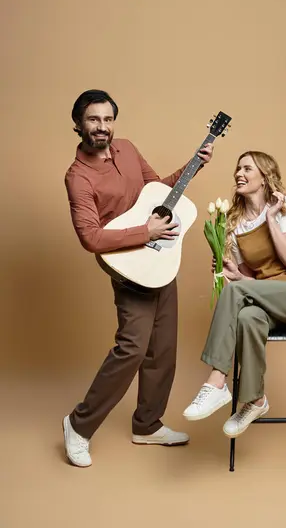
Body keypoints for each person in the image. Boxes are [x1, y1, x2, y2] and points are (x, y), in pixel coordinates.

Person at [63, 89, 214, 467]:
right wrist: (144, 233)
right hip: (125, 265)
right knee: (132, 347)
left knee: (162, 346)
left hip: (159, 258)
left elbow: (160, 191)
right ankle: (78, 426)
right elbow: (91, 238)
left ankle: (147, 424)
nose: (102, 127)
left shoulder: (128, 149)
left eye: (108, 119)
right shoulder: (78, 176)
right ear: (78, 124)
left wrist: (193, 165)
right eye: (94, 120)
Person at [183, 150, 286, 438]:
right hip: (270, 302)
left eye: (247, 168)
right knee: (248, 316)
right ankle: (255, 399)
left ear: (264, 177)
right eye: (238, 168)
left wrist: (271, 217)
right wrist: (235, 273)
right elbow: (254, 280)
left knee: (239, 294)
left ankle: (216, 381)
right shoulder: (235, 224)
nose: (239, 173)